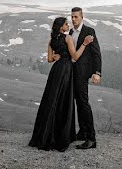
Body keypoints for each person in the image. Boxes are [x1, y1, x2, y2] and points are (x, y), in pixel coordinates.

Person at [28, 16, 94, 152]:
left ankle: (46, 135)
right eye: (65, 24)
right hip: (66, 71)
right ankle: (61, 136)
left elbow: (49, 59)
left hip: (56, 71)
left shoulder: (51, 40)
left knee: (52, 100)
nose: (68, 25)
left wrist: (57, 57)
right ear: (60, 27)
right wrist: (84, 44)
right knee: (64, 101)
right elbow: (75, 56)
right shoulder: (67, 38)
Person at [69, 6, 102, 149]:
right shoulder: (71, 32)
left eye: (76, 16)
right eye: (72, 17)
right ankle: (82, 132)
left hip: (83, 74)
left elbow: (96, 53)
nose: (73, 19)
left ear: (82, 17)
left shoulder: (89, 31)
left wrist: (97, 72)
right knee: (78, 103)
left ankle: (91, 138)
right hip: (72, 74)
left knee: (83, 104)